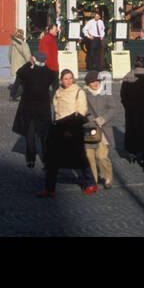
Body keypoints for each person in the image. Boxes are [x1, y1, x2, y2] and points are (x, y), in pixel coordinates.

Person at [39, 69, 93, 197]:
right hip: (58, 128)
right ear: (61, 80)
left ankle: (91, 183)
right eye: (65, 78)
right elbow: (56, 110)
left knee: (80, 158)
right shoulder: (58, 92)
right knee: (52, 160)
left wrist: (70, 129)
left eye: (70, 78)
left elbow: (81, 112)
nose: (68, 81)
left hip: (73, 128)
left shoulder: (78, 92)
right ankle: (49, 188)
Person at [12, 50, 56, 167]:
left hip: (29, 108)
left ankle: (30, 159)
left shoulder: (28, 72)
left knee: (30, 134)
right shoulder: (49, 73)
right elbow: (53, 79)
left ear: (33, 59)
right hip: (43, 108)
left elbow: (19, 72)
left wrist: (28, 63)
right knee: (44, 135)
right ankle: (46, 159)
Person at [120, 56, 144, 166]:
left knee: (132, 132)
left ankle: (132, 153)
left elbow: (123, 95)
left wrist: (127, 106)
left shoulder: (128, 77)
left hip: (132, 111)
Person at [83, 71, 118, 190]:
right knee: (89, 156)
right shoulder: (83, 94)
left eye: (97, 81)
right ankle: (93, 180)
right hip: (89, 129)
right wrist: (92, 119)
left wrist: (104, 119)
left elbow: (112, 108)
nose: (95, 84)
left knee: (103, 156)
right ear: (88, 83)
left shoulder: (106, 94)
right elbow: (82, 110)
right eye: (93, 82)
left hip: (103, 130)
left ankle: (107, 177)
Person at [8, 29, 31, 101]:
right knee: (21, 82)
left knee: (18, 82)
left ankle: (14, 95)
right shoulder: (23, 44)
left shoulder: (12, 43)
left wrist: (12, 63)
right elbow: (27, 55)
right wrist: (30, 64)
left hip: (15, 66)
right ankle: (14, 95)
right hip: (22, 66)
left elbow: (9, 55)